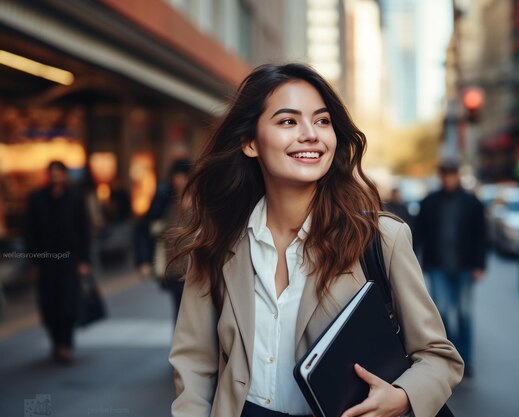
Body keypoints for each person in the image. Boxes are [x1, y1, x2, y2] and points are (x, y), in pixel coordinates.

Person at [168, 63, 463, 417]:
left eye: (322, 121)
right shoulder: (216, 243)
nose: (311, 134)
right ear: (250, 142)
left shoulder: (381, 239)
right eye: (288, 121)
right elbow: (194, 366)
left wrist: (401, 397)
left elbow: (438, 357)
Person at [415, 158, 487, 377]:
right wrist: (416, 261)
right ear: (441, 177)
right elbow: (418, 234)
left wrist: (480, 265)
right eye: (445, 175)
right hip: (438, 266)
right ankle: (448, 359)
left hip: (465, 267)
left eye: (452, 175)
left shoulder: (472, 202)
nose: (448, 179)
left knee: (464, 314)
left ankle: (466, 361)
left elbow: (482, 235)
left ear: (458, 176)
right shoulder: (429, 202)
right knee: (443, 313)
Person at [24, 161, 91, 363]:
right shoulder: (37, 198)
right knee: (49, 302)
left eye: (59, 173)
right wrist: (33, 262)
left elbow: (84, 231)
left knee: (68, 303)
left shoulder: (75, 197)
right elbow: (30, 232)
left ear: (65, 175)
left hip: (69, 258)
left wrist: (84, 260)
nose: (56, 177)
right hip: (46, 260)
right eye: (52, 173)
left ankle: (66, 344)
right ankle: (56, 342)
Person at [135, 159, 192, 321]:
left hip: (197, 268)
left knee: (193, 315)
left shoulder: (202, 201)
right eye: (178, 177)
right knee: (180, 311)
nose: (181, 181)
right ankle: (181, 345)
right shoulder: (165, 199)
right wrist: (143, 260)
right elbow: (145, 229)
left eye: (185, 177)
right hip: (174, 266)